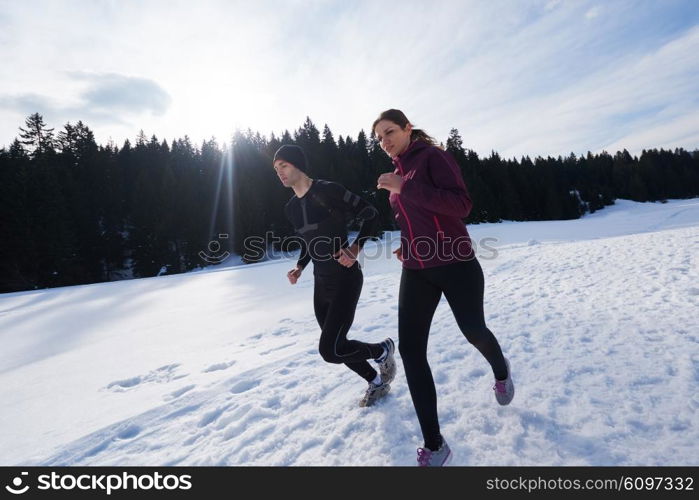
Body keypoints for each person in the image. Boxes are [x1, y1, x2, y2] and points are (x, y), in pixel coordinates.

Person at [373, 109, 514, 466]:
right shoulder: (398, 172)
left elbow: (461, 205)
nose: (384, 141)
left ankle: (501, 370)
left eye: (389, 132)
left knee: (473, 330)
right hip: (417, 268)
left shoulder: (433, 158)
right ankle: (435, 445)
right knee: (412, 351)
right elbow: (413, 218)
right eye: (378, 138)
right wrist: (408, 241)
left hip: (456, 263)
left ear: (407, 128)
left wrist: (405, 187)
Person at [273, 144, 396, 407]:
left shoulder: (330, 190)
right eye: (276, 168)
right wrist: (300, 266)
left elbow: (371, 214)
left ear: (298, 165)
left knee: (331, 350)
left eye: (283, 165)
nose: (279, 172)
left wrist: (354, 249)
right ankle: (375, 382)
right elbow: (309, 240)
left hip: (346, 278)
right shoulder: (291, 208)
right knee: (339, 346)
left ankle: (382, 350)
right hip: (321, 283)